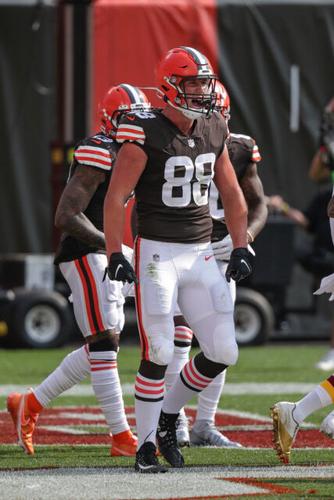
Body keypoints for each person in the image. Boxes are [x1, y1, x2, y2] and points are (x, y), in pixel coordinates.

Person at [103, 46, 253, 473]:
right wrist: (115, 252)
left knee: (224, 349)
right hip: (159, 252)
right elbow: (117, 199)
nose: (202, 91)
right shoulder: (142, 131)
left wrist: (240, 244)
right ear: (170, 86)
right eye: (193, 83)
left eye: (205, 82)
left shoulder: (214, 127)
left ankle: (169, 418)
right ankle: (146, 444)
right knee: (161, 348)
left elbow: (231, 193)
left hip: (202, 251)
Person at [6, 84, 151, 457]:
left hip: (109, 251)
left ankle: (30, 403)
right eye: (130, 117)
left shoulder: (135, 150)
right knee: (103, 344)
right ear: (112, 120)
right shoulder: (99, 150)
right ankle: (121, 437)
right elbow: (67, 216)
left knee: (114, 337)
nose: (138, 123)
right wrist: (111, 246)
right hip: (87, 253)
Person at [165, 81, 268, 448]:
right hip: (178, 248)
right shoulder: (168, 140)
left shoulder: (239, 147)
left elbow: (258, 203)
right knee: (178, 339)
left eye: (216, 114)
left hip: (220, 250)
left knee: (220, 342)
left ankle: (203, 424)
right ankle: (172, 420)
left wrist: (245, 240)